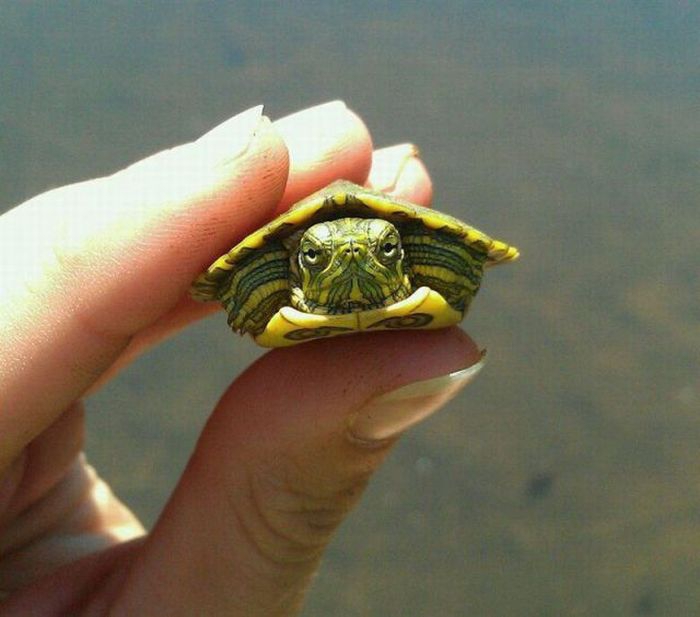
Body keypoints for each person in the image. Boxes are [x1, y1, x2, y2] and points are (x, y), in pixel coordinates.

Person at [0, 101, 483, 615]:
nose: (351, 258)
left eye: (385, 250)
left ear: (402, 254)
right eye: (316, 256)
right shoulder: (281, 277)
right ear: (297, 264)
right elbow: (237, 283)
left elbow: (463, 260)